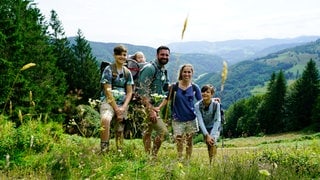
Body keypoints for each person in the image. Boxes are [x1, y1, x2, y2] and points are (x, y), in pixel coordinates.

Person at [156, 64, 202, 161]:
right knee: (179, 141)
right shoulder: (175, 86)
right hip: (177, 119)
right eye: (185, 72)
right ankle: (180, 158)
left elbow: (201, 101)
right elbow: (167, 99)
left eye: (189, 72)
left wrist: (213, 100)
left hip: (191, 118)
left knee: (189, 141)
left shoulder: (194, 87)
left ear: (192, 73)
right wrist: (159, 107)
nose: (187, 74)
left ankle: (187, 160)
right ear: (181, 73)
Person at [137, 46, 170, 157]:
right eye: (162, 54)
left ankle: (148, 157)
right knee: (163, 132)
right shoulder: (150, 68)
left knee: (148, 131)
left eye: (166, 55)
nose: (164, 57)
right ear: (157, 55)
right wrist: (150, 110)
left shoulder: (163, 70)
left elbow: (165, 88)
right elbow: (142, 90)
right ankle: (153, 156)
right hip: (147, 107)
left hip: (156, 108)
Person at [100, 44, 134, 153]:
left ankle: (119, 150)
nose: (122, 57)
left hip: (122, 104)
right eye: (119, 54)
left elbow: (129, 92)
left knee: (120, 129)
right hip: (109, 102)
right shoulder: (108, 70)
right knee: (105, 120)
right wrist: (116, 109)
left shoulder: (127, 72)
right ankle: (104, 149)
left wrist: (123, 107)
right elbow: (107, 91)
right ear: (114, 55)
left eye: (124, 55)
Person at [195, 84, 222, 164]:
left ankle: (212, 163)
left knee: (212, 142)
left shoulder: (216, 105)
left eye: (208, 92)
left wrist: (212, 135)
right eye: (203, 91)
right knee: (208, 144)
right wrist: (207, 135)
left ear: (212, 94)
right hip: (205, 128)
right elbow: (200, 121)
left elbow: (217, 120)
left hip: (215, 127)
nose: (205, 93)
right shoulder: (197, 105)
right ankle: (212, 162)